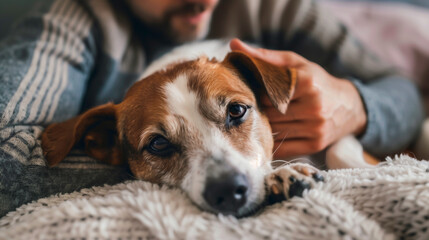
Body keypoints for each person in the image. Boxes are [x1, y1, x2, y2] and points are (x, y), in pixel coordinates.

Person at [0, 0, 423, 216]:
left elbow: (406, 93)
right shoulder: (73, 19)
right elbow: (9, 156)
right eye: (162, 144)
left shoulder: (278, 9)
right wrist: (134, 157)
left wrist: (355, 104)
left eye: (236, 114)